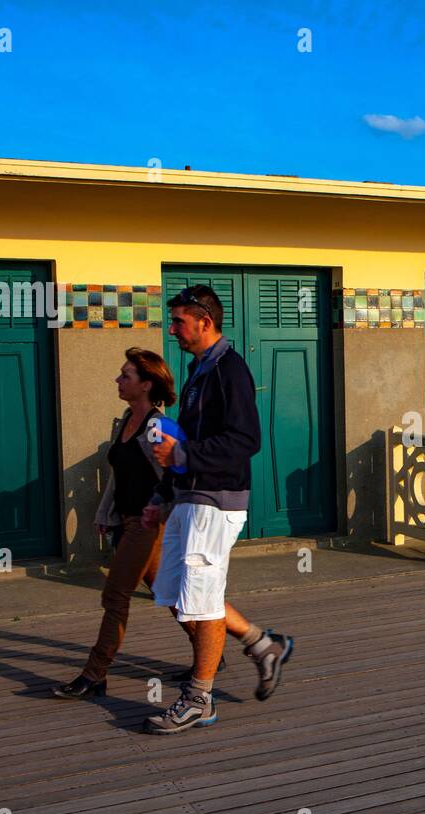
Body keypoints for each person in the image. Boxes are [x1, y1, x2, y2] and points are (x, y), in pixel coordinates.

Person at [140, 284, 293, 734]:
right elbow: (180, 444)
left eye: (180, 322)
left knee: (201, 600)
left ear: (205, 321)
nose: (173, 330)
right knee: (177, 594)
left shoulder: (230, 370)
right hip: (188, 499)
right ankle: (262, 645)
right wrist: (161, 496)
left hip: (217, 501)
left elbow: (247, 441)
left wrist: (182, 459)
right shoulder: (198, 371)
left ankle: (199, 699)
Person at [52, 348, 222, 699]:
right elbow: (119, 476)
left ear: (146, 384)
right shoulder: (124, 421)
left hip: (150, 525)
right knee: (171, 594)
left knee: (115, 594)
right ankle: (210, 651)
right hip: (128, 520)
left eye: (125, 376)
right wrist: (104, 514)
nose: (117, 380)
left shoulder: (159, 428)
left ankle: (95, 674)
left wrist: (166, 515)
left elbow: (182, 477)